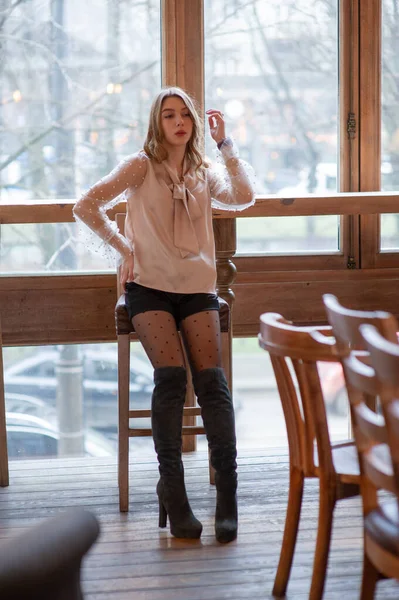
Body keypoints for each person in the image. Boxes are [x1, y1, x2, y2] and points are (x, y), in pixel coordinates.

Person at [73, 86, 255, 543]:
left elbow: (243, 197)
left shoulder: (202, 170)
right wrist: (123, 249)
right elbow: (86, 204)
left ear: (194, 123)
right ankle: (174, 491)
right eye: (169, 115)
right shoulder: (139, 166)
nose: (178, 122)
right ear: (157, 123)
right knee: (171, 379)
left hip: (196, 288)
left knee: (212, 383)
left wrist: (225, 145)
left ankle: (227, 496)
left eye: (185, 115)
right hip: (149, 288)